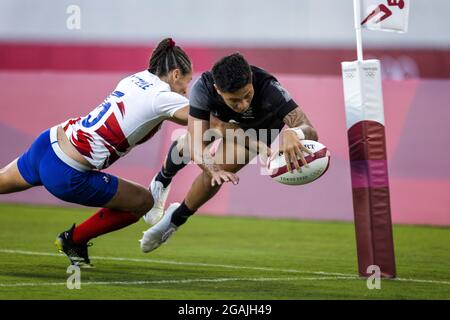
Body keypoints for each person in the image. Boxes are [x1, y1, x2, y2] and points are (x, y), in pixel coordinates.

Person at [0, 38, 192, 267]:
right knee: (143, 202)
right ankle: (73, 240)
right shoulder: (162, 98)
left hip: (47, 143)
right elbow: (202, 117)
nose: (185, 91)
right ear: (176, 74)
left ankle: (73, 241)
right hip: (66, 172)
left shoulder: (136, 78)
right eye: (186, 84)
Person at [140, 53, 318, 252]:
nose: (243, 104)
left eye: (247, 95)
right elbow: (198, 146)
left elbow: (309, 128)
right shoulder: (204, 88)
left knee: (219, 172)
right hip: (218, 121)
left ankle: (174, 219)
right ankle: (162, 180)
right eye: (234, 100)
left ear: (251, 80)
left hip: (258, 127)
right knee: (190, 144)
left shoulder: (269, 88)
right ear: (218, 89)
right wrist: (211, 167)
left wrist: (294, 132)